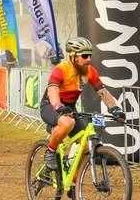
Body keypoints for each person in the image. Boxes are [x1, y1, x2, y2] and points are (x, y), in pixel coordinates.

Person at [40, 37, 124, 170]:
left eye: (90, 55)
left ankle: (74, 180)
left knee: (86, 146)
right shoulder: (61, 69)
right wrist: (58, 106)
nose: (88, 59)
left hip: (70, 108)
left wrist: (115, 108)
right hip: (51, 105)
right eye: (84, 56)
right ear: (73, 56)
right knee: (68, 123)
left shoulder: (89, 71)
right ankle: (50, 152)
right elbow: (52, 90)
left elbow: (102, 92)